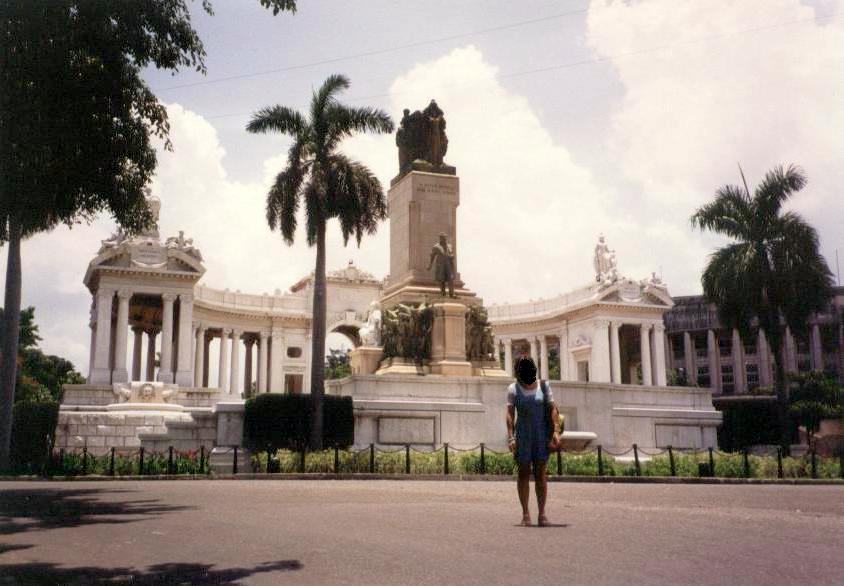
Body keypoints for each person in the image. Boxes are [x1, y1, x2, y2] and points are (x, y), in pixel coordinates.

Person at [506, 355, 560, 526]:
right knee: (523, 473)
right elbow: (509, 414)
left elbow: (553, 409)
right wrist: (511, 436)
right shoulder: (513, 388)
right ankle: (525, 513)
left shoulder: (544, 386)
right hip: (523, 434)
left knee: (541, 474)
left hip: (540, 433)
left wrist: (556, 430)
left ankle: (542, 514)